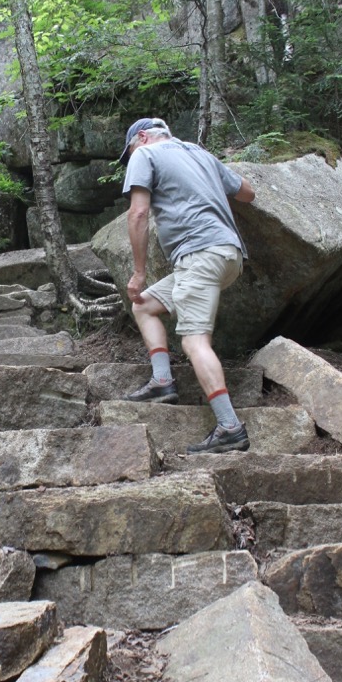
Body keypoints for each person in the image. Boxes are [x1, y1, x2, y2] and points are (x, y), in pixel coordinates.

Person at [119, 116, 255, 454]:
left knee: (194, 342)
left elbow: (138, 214)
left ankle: (229, 427)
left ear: (144, 137)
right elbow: (248, 193)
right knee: (144, 305)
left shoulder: (145, 155)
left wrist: (138, 273)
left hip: (198, 253)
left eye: (131, 148)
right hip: (228, 256)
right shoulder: (199, 153)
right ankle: (162, 380)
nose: (130, 155)